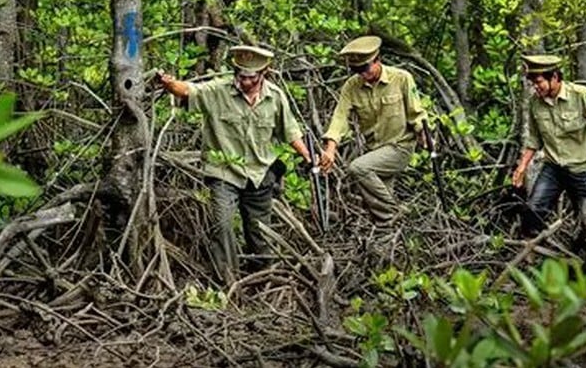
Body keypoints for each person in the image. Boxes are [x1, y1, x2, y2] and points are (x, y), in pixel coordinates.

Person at [157, 45, 311, 284]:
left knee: (260, 230)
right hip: (224, 172)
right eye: (239, 75)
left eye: (250, 77)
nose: (243, 81)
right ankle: (228, 281)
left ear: (264, 74)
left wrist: (309, 157)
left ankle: (263, 278)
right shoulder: (218, 90)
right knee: (222, 224)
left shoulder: (275, 97)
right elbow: (188, 91)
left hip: (260, 173)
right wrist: (168, 83)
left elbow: (291, 132)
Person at [319, 35, 427, 224]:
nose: (361, 73)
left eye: (364, 68)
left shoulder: (401, 79)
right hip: (375, 150)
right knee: (378, 207)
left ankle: (400, 213)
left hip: (399, 147)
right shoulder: (352, 86)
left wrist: (423, 134)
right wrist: (330, 148)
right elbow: (339, 118)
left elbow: (416, 113)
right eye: (355, 69)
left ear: (377, 60)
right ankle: (390, 237)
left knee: (358, 168)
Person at [512, 54, 586, 238]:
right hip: (553, 168)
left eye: (539, 82)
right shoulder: (535, 103)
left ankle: (581, 258)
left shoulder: (579, 94)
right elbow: (534, 139)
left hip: (581, 171)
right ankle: (535, 253)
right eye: (533, 83)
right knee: (533, 211)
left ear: (554, 77)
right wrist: (521, 168)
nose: (536, 88)